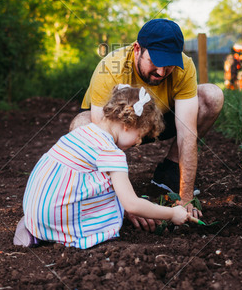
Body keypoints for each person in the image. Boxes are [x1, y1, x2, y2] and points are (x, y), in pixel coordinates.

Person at [70, 18, 224, 231]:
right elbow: (101, 141)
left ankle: (170, 172)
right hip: (118, 125)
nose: (161, 72)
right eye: (155, 61)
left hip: (158, 119)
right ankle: (104, 194)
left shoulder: (184, 67)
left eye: (169, 64)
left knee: (212, 96)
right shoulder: (110, 66)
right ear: (137, 49)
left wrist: (186, 198)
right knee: (80, 124)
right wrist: (128, 203)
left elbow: (187, 134)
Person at [14, 85, 190, 249]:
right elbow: (131, 204)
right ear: (128, 125)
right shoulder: (111, 152)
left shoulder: (82, 132)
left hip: (35, 206)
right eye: (140, 136)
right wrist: (172, 214)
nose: (138, 142)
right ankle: (61, 231)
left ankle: (34, 228)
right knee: (113, 205)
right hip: (59, 217)